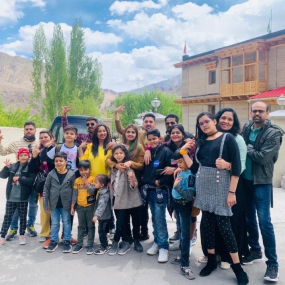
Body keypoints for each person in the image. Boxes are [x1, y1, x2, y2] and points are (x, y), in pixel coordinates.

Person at [190, 112, 248, 285]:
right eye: (201, 123)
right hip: (203, 189)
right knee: (207, 225)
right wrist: (184, 151)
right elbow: (194, 167)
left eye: (207, 121)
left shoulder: (227, 138)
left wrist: (232, 192)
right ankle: (210, 261)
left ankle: (237, 267)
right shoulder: (201, 142)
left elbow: (237, 167)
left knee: (225, 228)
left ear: (214, 121)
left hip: (221, 188)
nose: (204, 125)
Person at [241, 101, 284, 282]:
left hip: (262, 183)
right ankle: (255, 251)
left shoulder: (274, 132)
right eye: (254, 110)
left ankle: (272, 263)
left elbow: (263, 157)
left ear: (267, 113)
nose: (257, 113)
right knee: (249, 219)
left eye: (261, 111)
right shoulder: (247, 127)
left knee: (264, 222)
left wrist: (247, 147)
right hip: (246, 181)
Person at [213, 108, 249, 269]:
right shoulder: (212, 137)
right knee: (215, 220)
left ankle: (229, 256)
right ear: (217, 119)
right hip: (214, 185)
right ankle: (215, 253)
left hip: (232, 185)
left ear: (234, 123)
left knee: (231, 220)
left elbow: (240, 165)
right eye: (223, 118)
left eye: (230, 119)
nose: (225, 121)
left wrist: (228, 165)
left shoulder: (237, 139)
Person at [106, 123, 145, 249]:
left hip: (132, 183)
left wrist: (130, 164)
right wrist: (116, 165)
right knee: (123, 217)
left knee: (136, 216)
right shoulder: (119, 146)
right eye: (128, 131)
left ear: (136, 134)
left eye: (133, 132)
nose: (130, 134)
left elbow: (141, 165)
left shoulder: (139, 147)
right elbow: (107, 160)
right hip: (119, 189)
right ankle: (127, 238)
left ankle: (137, 239)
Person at [0, 121, 38, 239]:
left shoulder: (39, 143)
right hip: (18, 182)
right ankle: (13, 228)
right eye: (26, 129)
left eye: (31, 129)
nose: (29, 131)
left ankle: (30, 225)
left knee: (32, 204)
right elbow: (3, 151)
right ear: (23, 130)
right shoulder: (16, 143)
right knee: (16, 205)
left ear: (35, 130)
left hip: (33, 179)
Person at [141, 129, 173, 263]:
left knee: (160, 218)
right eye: (150, 139)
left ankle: (164, 247)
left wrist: (160, 181)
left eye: (155, 138)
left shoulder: (166, 152)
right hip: (150, 191)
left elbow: (171, 172)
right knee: (154, 218)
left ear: (159, 138)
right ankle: (157, 242)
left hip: (161, 190)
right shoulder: (149, 152)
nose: (152, 141)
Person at [0, 148, 35, 247]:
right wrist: (6, 168)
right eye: (21, 155)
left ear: (29, 157)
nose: (23, 157)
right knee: (7, 217)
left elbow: (31, 181)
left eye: (25, 155)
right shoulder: (13, 166)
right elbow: (2, 176)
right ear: (17, 157)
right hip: (11, 197)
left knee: (23, 217)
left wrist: (20, 178)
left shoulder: (30, 167)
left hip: (23, 198)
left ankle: (22, 235)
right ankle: (2, 236)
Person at [170, 147, 196, 280]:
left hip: (185, 207)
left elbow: (188, 195)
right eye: (177, 162)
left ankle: (185, 264)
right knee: (180, 232)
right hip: (177, 206)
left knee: (185, 235)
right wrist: (174, 209)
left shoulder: (191, 175)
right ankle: (182, 255)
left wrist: (176, 186)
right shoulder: (181, 172)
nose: (179, 164)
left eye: (181, 161)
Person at [43, 152, 75, 253]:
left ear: (65, 162)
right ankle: (54, 241)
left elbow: (74, 190)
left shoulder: (71, 174)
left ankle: (67, 240)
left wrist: (73, 205)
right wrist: (45, 204)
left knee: (66, 222)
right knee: (55, 223)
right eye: (56, 161)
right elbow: (46, 189)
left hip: (66, 204)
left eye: (61, 161)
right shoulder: (51, 174)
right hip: (54, 204)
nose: (58, 163)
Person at [28, 130, 56, 247]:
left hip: (55, 184)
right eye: (41, 138)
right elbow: (32, 170)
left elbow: (51, 162)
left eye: (46, 137)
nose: (44, 139)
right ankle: (45, 233)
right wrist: (34, 157)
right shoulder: (37, 151)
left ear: (52, 138)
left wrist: (47, 148)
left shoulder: (56, 149)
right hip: (42, 185)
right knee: (45, 210)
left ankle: (54, 233)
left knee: (55, 210)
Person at [71, 160, 96, 255]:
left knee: (90, 225)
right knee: (81, 226)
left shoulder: (93, 179)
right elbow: (74, 195)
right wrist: (72, 206)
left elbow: (92, 192)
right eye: (81, 170)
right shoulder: (77, 180)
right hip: (80, 207)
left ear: (90, 169)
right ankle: (79, 244)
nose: (84, 172)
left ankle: (90, 244)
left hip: (90, 206)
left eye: (86, 169)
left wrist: (86, 182)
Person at [93, 174, 112, 255]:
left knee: (101, 231)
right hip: (105, 216)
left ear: (102, 185)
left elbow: (102, 205)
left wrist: (96, 215)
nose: (94, 183)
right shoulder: (101, 191)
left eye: (96, 182)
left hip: (103, 216)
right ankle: (107, 244)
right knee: (104, 231)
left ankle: (104, 247)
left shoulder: (104, 194)